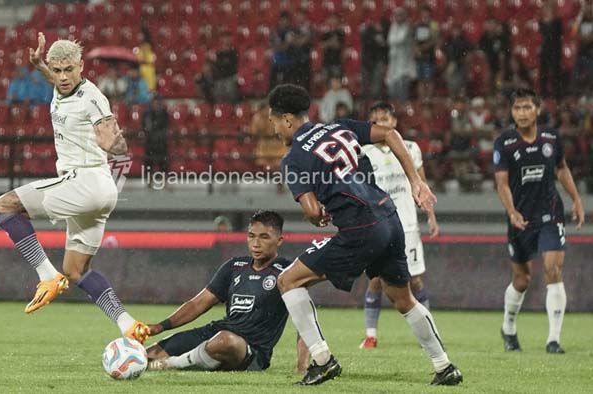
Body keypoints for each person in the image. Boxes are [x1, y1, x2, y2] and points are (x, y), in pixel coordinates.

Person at [268, 84, 461, 386]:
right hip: (389, 215)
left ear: (288, 120)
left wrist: (319, 214)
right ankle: (444, 366)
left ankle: (323, 361)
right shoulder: (340, 127)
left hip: (361, 228)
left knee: (288, 280)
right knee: (402, 297)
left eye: (274, 121)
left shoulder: (293, 159)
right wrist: (415, 182)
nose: (274, 128)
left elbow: (310, 210)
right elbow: (389, 134)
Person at [0, 33, 149, 343]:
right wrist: (39, 65)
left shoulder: (93, 97)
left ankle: (46, 275)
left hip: (84, 182)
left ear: (81, 67)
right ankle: (128, 324)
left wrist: (114, 144)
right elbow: (58, 83)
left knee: (3, 206)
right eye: (57, 70)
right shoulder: (62, 86)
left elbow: (113, 139)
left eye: (69, 70)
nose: (63, 76)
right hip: (100, 192)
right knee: (75, 270)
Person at [146, 211, 308, 372]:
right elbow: (198, 304)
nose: (256, 243)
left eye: (264, 237)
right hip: (215, 333)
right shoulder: (234, 266)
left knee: (225, 341)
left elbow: (305, 320)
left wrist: (302, 365)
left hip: (251, 349)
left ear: (279, 240)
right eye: (251, 236)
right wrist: (161, 326)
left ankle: (171, 365)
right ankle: (166, 361)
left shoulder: (288, 272)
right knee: (149, 355)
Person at [493, 88, 585, 354]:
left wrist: (576, 199)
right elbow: (501, 183)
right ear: (512, 113)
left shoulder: (551, 138)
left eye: (526, 107)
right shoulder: (505, 142)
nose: (521, 113)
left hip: (550, 213)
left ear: (537, 109)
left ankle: (553, 340)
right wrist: (511, 211)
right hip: (519, 217)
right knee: (522, 280)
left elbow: (561, 168)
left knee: (553, 270)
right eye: (517, 108)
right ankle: (508, 327)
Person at [359, 102, 440, 349]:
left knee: (414, 281)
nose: (379, 123)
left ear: (394, 122)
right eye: (374, 120)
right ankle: (371, 336)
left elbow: (421, 184)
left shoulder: (410, 148)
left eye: (384, 118)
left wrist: (431, 215)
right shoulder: (364, 151)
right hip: (378, 226)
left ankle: (428, 332)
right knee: (375, 281)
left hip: (408, 225)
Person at [386, 8, 416, 102]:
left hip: (405, 63)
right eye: (396, 15)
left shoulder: (407, 27)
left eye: (400, 15)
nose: (398, 17)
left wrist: (395, 41)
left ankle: (403, 108)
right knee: (392, 88)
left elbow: (401, 39)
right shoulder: (393, 26)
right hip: (394, 63)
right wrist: (395, 41)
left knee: (402, 88)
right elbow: (389, 40)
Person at [142, 93, 169, 173]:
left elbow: (165, 128)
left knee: (164, 160)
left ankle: (164, 178)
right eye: (156, 103)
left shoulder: (165, 114)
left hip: (161, 143)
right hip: (150, 142)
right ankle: (148, 178)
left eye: (159, 103)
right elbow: (147, 128)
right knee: (148, 160)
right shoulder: (147, 114)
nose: (157, 105)